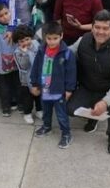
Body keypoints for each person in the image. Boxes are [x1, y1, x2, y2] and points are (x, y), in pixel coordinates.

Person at [67, 10, 110, 155]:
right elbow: (68, 53)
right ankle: (94, 118)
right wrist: (52, 50)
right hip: (89, 86)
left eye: (105, 28)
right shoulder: (83, 40)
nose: (100, 32)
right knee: (70, 109)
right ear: (92, 27)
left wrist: (105, 102)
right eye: (97, 27)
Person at [30, 21, 77, 149]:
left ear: (61, 36)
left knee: (61, 114)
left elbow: (71, 72)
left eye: (55, 38)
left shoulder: (67, 53)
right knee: (46, 110)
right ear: (45, 37)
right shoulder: (41, 51)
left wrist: (69, 89)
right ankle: (46, 126)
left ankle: (66, 133)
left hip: (59, 90)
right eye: (49, 38)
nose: (52, 42)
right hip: (45, 88)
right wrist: (34, 83)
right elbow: (35, 67)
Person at [0, 3, 19, 116]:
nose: (5, 17)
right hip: (2, 61)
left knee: (17, 82)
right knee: (4, 85)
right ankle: (5, 106)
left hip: (17, 60)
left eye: (6, 13)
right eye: (1, 15)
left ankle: (17, 101)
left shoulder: (16, 24)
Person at [13, 26, 42, 124]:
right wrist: (25, 53)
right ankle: (27, 113)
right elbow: (23, 66)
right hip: (26, 80)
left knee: (39, 96)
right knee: (28, 98)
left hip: (38, 76)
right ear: (17, 42)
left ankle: (39, 110)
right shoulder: (18, 52)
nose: (25, 43)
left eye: (27, 39)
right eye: (21, 41)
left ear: (31, 37)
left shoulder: (36, 44)